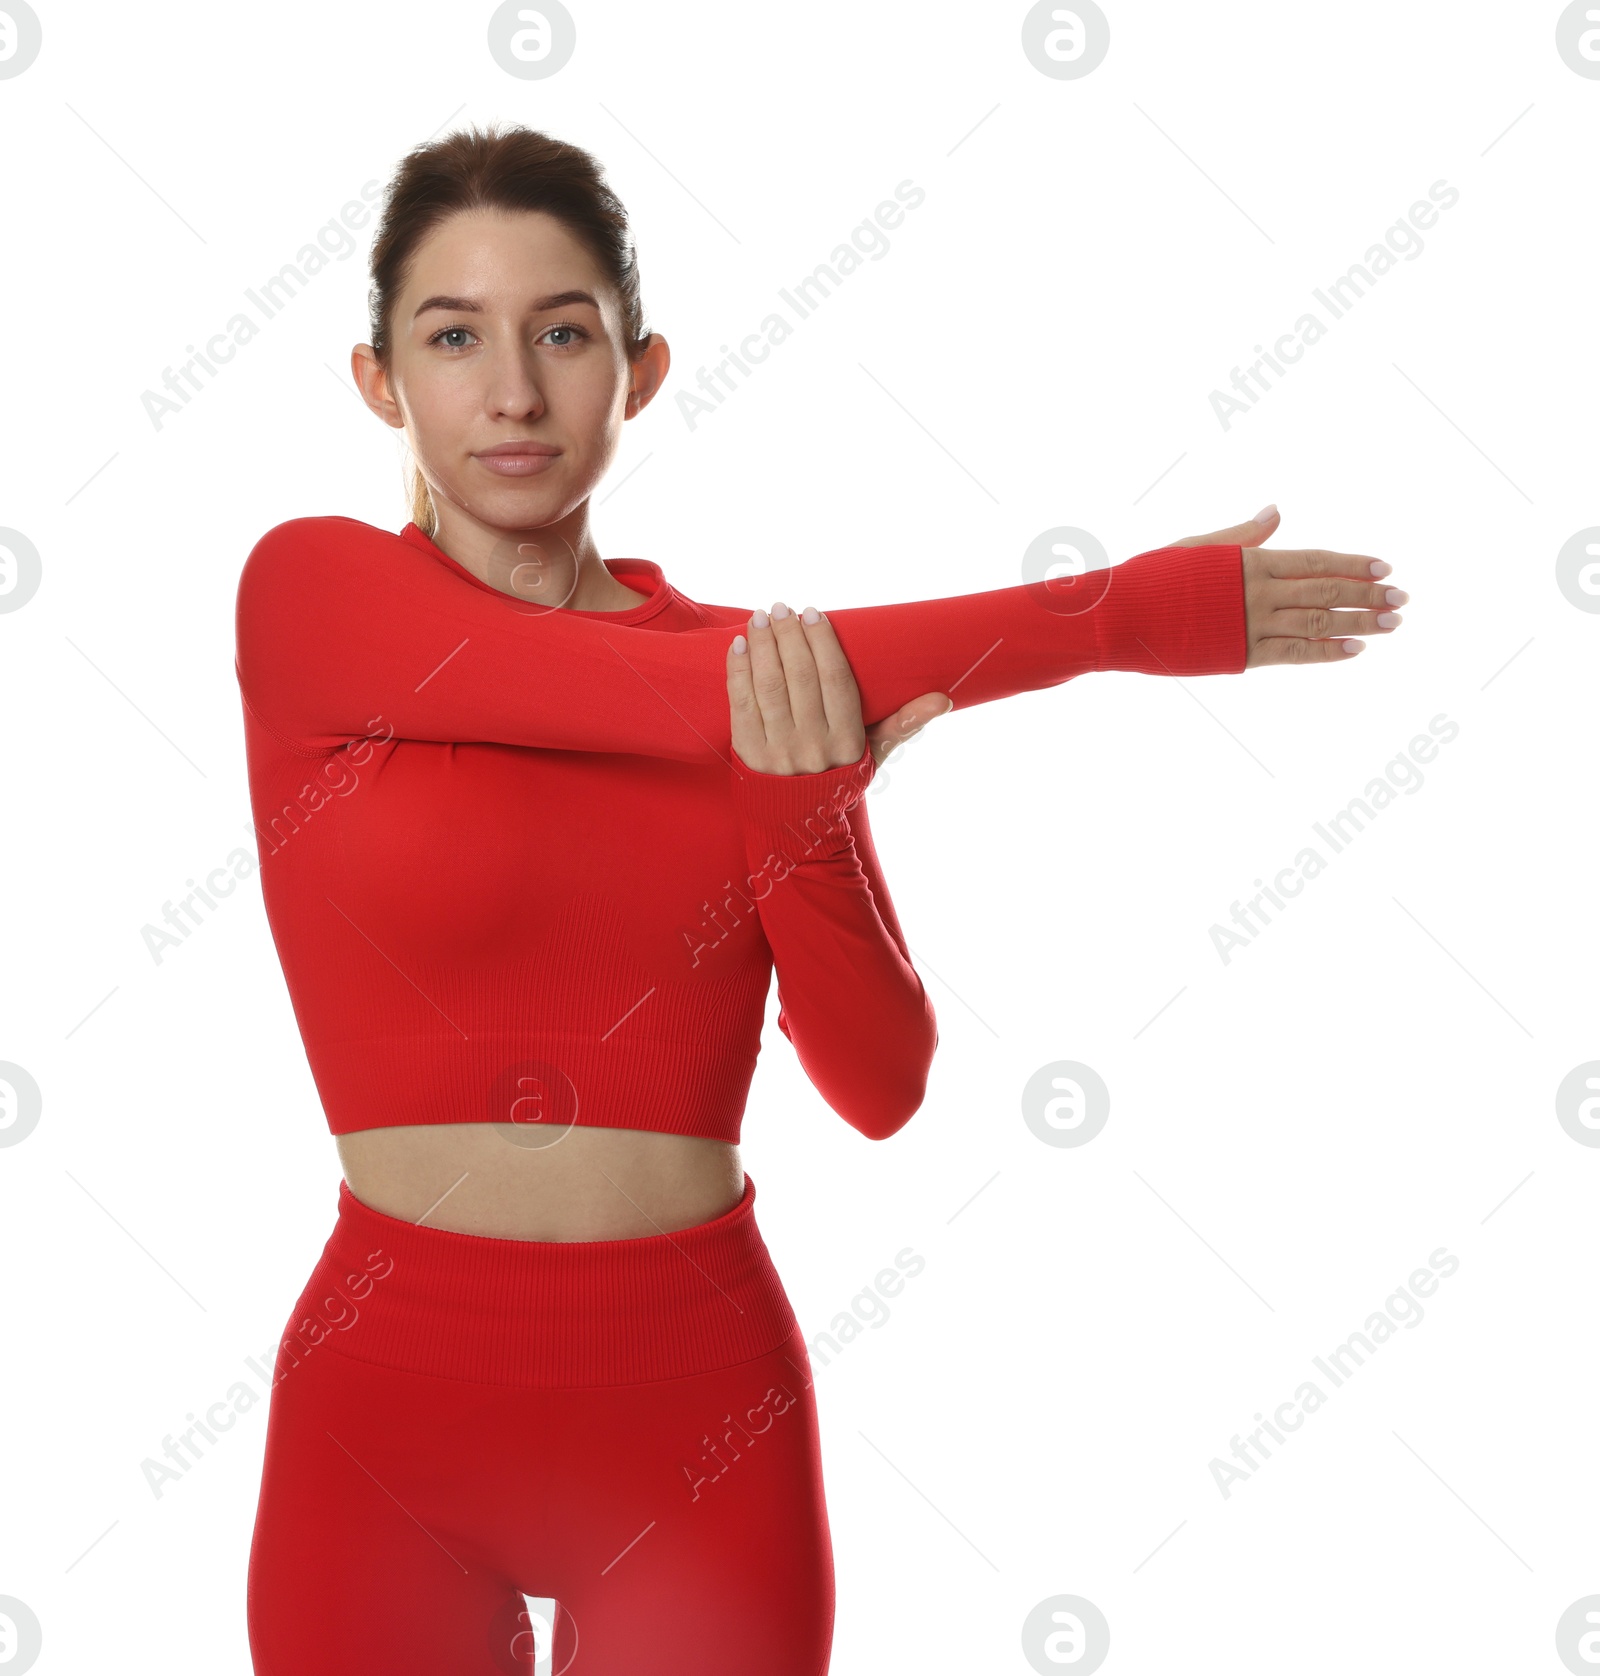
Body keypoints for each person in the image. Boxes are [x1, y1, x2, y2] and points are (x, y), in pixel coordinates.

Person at [237, 123, 1404, 1676]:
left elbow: (880, 1087)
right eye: (453, 337)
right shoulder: (315, 598)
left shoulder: (768, 696)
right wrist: (1117, 615)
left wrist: (804, 804)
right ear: (380, 378)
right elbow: (682, 695)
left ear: (640, 370)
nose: (512, 393)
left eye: (563, 333)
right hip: (386, 1421)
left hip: (693, 1420)